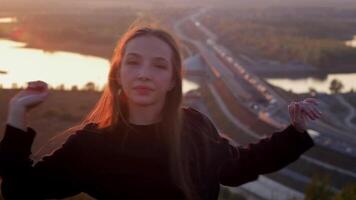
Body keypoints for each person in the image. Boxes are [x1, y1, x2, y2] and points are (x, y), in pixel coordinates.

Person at [0, 24, 322, 200]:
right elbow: (19, 191)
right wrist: (16, 117)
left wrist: (293, 133)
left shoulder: (193, 128)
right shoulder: (91, 146)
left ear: (172, 81)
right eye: (134, 62)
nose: (144, 73)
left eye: (158, 65)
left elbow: (237, 168)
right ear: (118, 74)